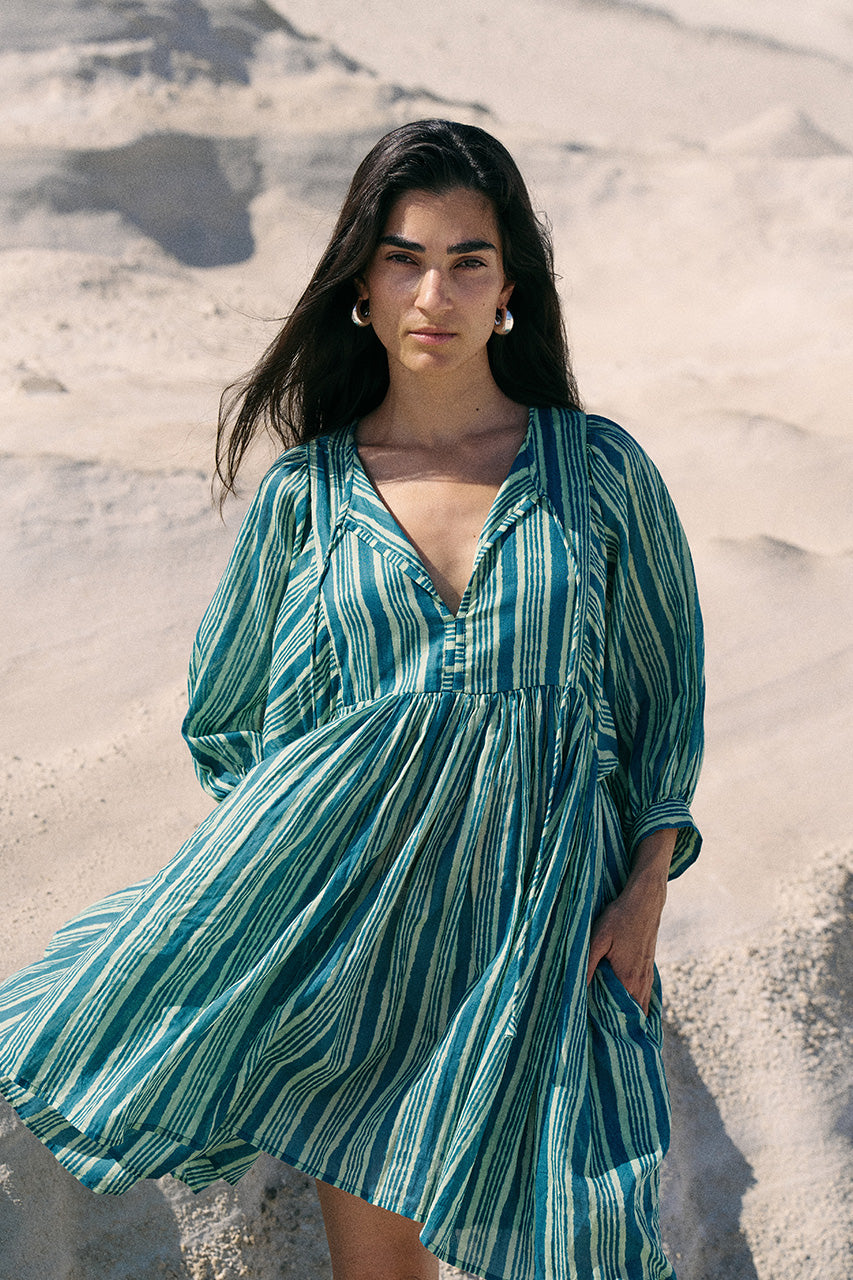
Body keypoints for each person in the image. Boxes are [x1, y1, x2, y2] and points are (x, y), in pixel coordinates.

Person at [0, 119, 704, 1280]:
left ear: (509, 289)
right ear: (361, 289)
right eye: (403, 257)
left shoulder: (601, 472)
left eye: (468, 259)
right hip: (360, 950)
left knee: (592, 1228)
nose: (436, 289)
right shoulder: (307, 498)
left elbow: (660, 697)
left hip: (548, 928)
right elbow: (232, 718)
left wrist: (642, 890)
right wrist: (295, 884)